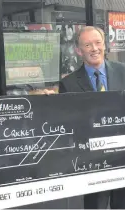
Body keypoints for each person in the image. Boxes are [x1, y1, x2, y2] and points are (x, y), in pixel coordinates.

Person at [59, 26, 125, 209]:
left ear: (105, 45)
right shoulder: (68, 83)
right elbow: (67, 121)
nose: (94, 48)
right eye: (88, 45)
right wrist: (52, 103)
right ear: (79, 51)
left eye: (98, 43)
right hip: (92, 162)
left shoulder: (123, 71)